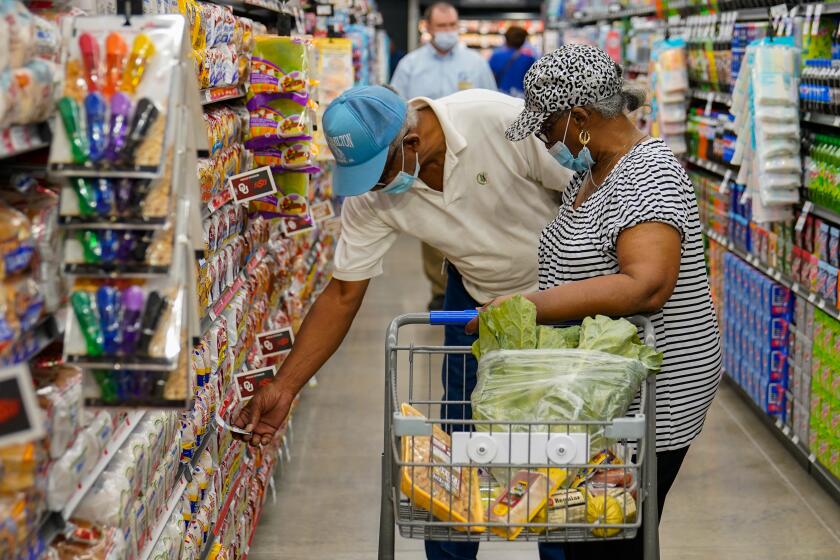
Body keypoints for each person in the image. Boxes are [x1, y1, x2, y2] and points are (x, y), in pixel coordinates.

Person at [232, 84, 572, 560]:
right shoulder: (375, 197)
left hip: (566, 294)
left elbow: (588, 188)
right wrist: (285, 386)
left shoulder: (499, 121)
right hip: (475, 302)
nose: (372, 188)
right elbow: (343, 293)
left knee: (564, 444)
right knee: (459, 442)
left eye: (377, 174)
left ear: (411, 144)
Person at [475, 44, 723, 559]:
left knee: (610, 538)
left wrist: (527, 306)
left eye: (547, 128)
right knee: (587, 531)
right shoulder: (590, 174)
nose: (545, 141)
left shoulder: (648, 173)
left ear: (581, 118)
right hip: (604, 391)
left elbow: (647, 286)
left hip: (655, 396)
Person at [390, 1, 497, 312]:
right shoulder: (410, 65)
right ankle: (440, 290)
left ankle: (476, 283)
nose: (449, 32)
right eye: (442, 27)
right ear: (429, 28)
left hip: (471, 153)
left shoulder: (476, 63)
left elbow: (492, 101)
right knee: (434, 221)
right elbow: (398, 108)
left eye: (453, 26)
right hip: (426, 156)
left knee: (475, 216)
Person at [488, 25, 537, 97]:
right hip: (521, 99)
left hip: (500, 97)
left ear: (506, 39)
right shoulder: (529, 59)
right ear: (523, 41)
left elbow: (490, 79)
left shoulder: (496, 57)